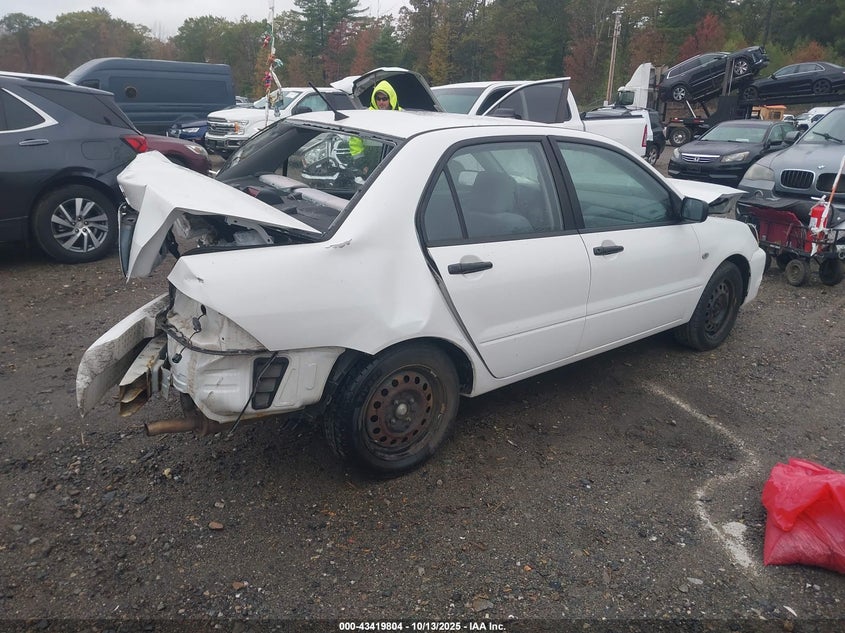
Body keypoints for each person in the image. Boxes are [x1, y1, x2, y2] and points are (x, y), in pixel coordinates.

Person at [348, 80, 402, 169]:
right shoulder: (366, 116)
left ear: (391, 98)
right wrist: (361, 162)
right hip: (371, 165)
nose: (381, 102)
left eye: (384, 99)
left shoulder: (403, 115)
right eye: (378, 99)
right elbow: (355, 139)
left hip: (395, 165)